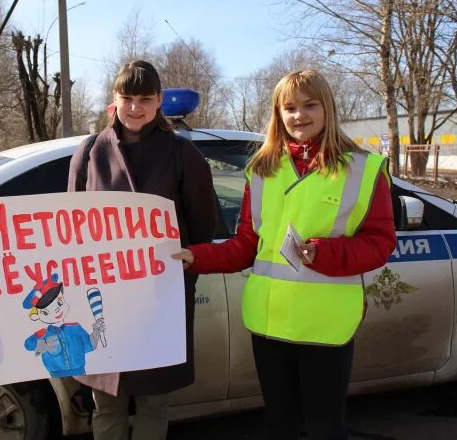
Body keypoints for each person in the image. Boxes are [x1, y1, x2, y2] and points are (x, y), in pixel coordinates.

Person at [174, 69, 396, 440]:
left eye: (310, 105)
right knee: (279, 423)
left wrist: (321, 253)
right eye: (288, 107)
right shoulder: (261, 170)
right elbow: (248, 244)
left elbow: (379, 242)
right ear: (277, 114)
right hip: (270, 320)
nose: (299, 115)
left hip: (326, 322)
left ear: (328, 108)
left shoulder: (363, 168)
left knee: (326, 427)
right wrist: (195, 257)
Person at [68, 59, 219, 440]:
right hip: (102, 298)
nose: (135, 107)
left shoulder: (182, 155)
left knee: (154, 401)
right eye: (127, 97)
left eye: (145, 99)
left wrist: (180, 274)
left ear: (159, 101)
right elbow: (69, 227)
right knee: (107, 401)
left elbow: (203, 227)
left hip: (160, 299)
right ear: (114, 99)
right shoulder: (89, 152)